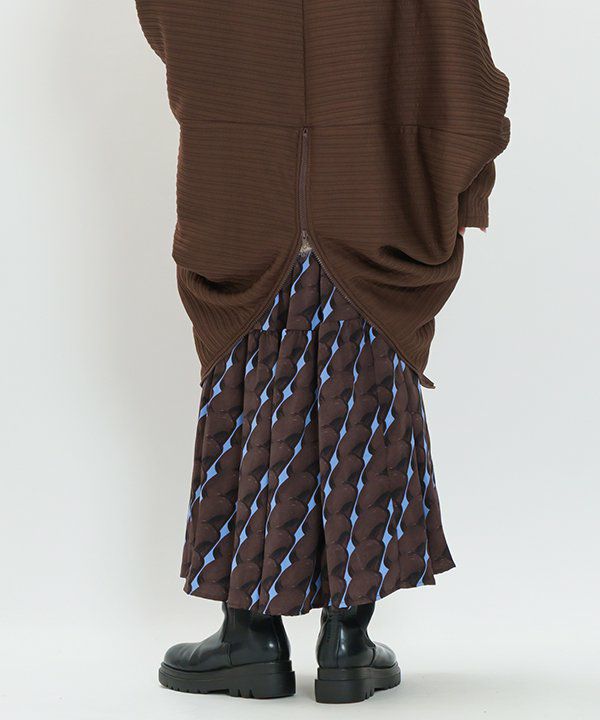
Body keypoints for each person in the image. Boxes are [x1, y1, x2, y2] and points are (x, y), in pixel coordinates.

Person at [135, 0, 509, 704]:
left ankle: (249, 637)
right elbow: (468, 76)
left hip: (245, 198)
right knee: (363, 396)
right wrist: (453, 185)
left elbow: (166, 20)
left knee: (253, 396)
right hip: (372, 202)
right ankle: (348, 643)